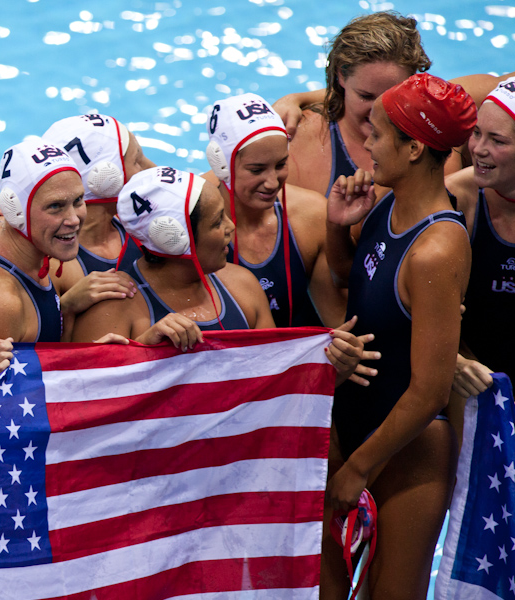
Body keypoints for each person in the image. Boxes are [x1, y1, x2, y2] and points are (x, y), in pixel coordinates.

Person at [323, 74, 476, 597]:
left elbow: (430, 388)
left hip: (408, 452)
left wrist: (359, 467)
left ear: (414, 148)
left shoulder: (437, 248)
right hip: (353, 424)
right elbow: (356, 283)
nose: (364, 140)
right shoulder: (387, 204)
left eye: (378, 132)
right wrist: (335, 226)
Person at [71, 167, 370, 387]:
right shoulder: (113, 308)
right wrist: (146, 352)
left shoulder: (241, 287)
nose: (230, 227)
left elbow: (272, 390)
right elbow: (89, 413)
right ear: (175, 239)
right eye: (217, 222)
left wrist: (333, 369)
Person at [0, 140, 130, 397]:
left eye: (78, 200)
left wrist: (69, 318)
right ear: (16, 211)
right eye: (55, 206)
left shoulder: (25, 239)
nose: (74, 219)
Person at [274, 11, 507, 196]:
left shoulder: (437, 114)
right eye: (365, 96)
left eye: (392, 96)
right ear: (341, 77)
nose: (380, 110)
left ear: (414, 82)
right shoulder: (302, 141)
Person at [202, 93, 348, 328]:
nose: (272, 183)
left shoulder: (311, 215)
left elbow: (335, 319)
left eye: (280, 165)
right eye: (257, 170)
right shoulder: (191, 220)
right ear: (221, 165)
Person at [445, 76, 515, 439]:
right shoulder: (456, 198)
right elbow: (401, 298)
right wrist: (452, 357)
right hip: (469, 381)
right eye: (476, 134)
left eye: (497, 140)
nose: (479, 149)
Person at [42, 113, 153, 281]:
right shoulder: (54, 267)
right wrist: (69, 305)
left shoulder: (142, 221)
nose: (152, 168)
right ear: (105, 180)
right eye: (137, 161)